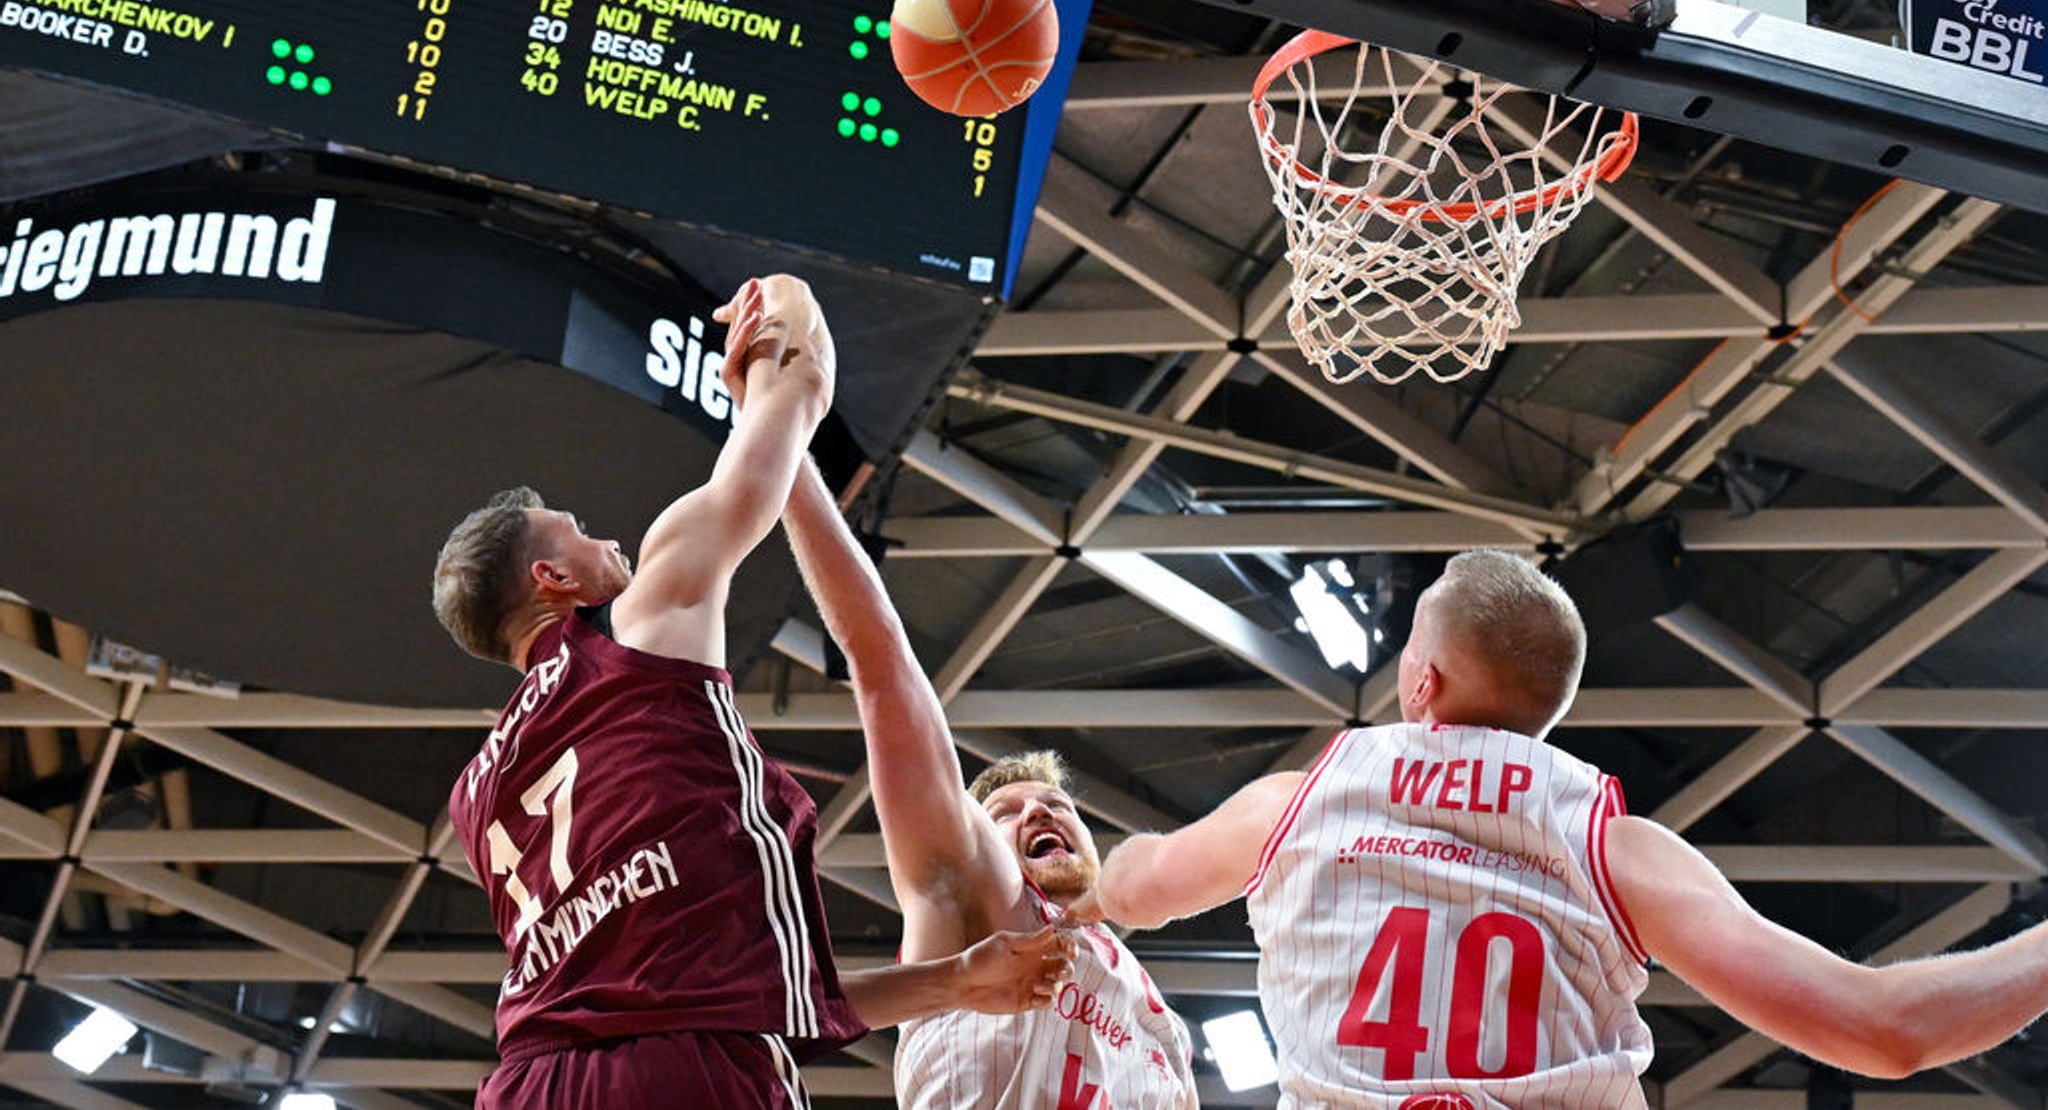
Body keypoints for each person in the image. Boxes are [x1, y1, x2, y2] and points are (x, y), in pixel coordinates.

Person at [1085, 549, 2048, 1108]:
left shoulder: (1299, 799)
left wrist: (1077, 871)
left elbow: (1136, 887)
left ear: (1420, 686)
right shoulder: (1612, 844)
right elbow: (1886, 1030)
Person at [432, 275, 1073, 1110]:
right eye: (581, 532)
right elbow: (804, 387)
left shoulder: (476, 796)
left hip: (528, 1084)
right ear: (552, 579)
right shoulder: (641, 615)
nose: (609, 537)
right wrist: (787, 303)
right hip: (680, 1072)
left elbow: (709, 989)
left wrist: (952, 981)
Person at [781, 456, 1198, 1109]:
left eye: (1057, 804)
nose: (1038, 813)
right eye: (1007, 811)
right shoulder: (978, 894)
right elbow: (881, 660)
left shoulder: (1156, 1015)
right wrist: (784, 447)